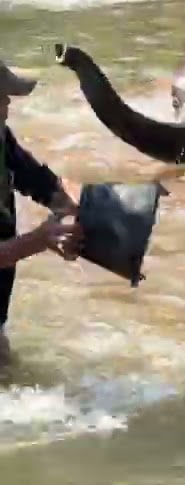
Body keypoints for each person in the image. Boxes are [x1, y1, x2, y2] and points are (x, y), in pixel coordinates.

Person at [1, 58, 84, 361]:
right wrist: (40, 240)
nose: (7, 104)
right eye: (0, 96)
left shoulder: (1, 140)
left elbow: (46, 186)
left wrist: (73, 215)